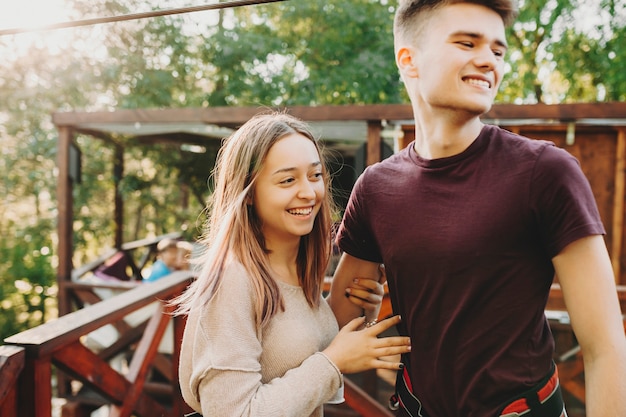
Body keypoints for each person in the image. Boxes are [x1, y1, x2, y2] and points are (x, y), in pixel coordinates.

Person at [328, 1, 626, 416]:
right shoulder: (376, 188)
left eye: (498, 51)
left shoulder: (545, 172)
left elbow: (605, 347)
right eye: (467, 43)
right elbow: (336, 327)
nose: (487, 60)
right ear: (409, 60)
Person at [174, 112, 411, 417]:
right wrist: (333, 363)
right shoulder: (233, 280)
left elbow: (296, 349)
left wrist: (363, 313)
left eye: (314, 176)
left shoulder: (296, 270)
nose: (308, 192)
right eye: (287, 180)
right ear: (248, 193)